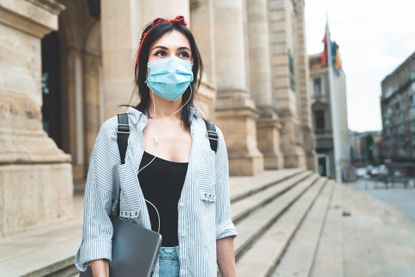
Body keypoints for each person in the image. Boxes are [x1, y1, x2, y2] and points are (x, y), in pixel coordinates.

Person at [74, 15, 238, 277]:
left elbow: (221, 227)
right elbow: (96, 223)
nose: (173, 61)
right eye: (161, 52)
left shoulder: (212, 139)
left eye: (183, 54)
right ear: (145, 65)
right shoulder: (116, 134)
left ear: (193, 67)